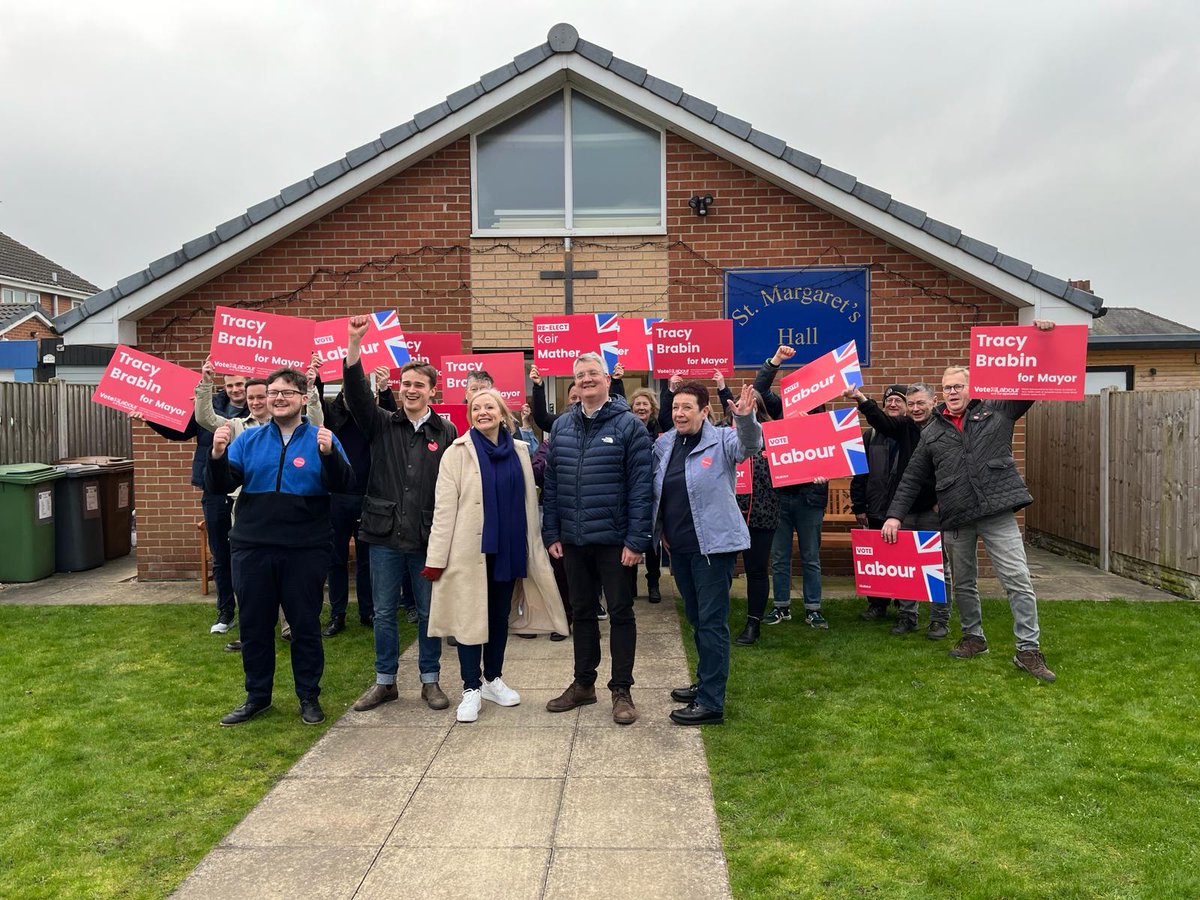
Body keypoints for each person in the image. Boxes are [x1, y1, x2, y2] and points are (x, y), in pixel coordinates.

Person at [883, 321, 1060, 682]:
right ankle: (973, 637)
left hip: (997, 512)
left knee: (1018, 579)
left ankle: (1027, 650)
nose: (951, 392)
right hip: (957, 517)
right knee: (963, 582)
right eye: (947, 387)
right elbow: (912, 477)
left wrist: (1041, 339)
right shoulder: (932, 432)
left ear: (971, 387)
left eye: (957, 386)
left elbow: (1033, 382)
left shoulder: (999, 409)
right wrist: (894, 516)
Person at [206, 367, 354, 726]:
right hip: (252, 547)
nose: (278, 398)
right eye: (273, 392)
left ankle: (308, 697)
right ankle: (257, 697)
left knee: (304, 626)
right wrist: (217, 455)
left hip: (305, 548)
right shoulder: (248, 440)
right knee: (255, 626)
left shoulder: (321, 436)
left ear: (304, 398)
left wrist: (330, 454)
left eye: (287, 392)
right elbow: (221, 484)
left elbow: (343, 484)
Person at [423, 389, 569, 722]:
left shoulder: (519, 451)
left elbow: (529, 501)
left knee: (498, 618)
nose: (483, 412)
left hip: (510, 549)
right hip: (468, 553)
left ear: (503, 414)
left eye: (490, 406)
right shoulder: (456, 454)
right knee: (470, 619)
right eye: (476, 408)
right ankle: (471, 688)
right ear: (470, 415)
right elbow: (444, 510)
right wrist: (436, 559)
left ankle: (493, 679)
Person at [344, 316, 458, 713]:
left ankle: (430, 681)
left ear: (432, 391)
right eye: (406, 383)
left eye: (418, 385)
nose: (411, 390)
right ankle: (385, 682)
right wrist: (354, 346)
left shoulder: (446, 433)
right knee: (384, 611)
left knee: (429, 613)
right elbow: (357, 395)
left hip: (427, 538)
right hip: (383, 535)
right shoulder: (380, 423)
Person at [542, 352, 654, 725]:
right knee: (583, 612)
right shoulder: (562, 426)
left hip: (615, 541)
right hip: (574, 540)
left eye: (593, 373)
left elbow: (642, 487)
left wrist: (637, 540)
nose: (586, 380)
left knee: (621, 613)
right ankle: (583, 684)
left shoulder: (629, 426)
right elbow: (553, 484)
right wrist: (552, 531)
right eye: (580, 375)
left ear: (607, 380)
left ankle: (621, 690)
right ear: (574, 384)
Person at [194, 355, 324, 651]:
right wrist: (205, 383)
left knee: (288, 571)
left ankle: (290, 624)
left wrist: (312, 388)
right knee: (252, 572)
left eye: (259, 396)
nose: (254, 401)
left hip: (290, 514)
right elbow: (205, 418)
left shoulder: (296, 426)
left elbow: (316, 423)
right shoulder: (238, 426)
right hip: (247, 508)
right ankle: (251, 625)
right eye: (249, 397)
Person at [655, 381, 761, 725]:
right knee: (698, 620)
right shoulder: (666, 443)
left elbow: (750, 445)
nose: (679, 413)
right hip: (680, 548)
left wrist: (745, 419)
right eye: (675, 407)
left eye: (687, 407)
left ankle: (712, 703)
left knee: (712, 624)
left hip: (714, 548)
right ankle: (704, 681)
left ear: (704, 411)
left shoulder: (722, 440)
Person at [143, 369, 248, 634]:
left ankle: (252, 609)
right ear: (224, 387)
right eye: (231, 385)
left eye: (240, 384)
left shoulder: (258, 410)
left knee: (248, 552)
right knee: (220, 553)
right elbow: (179, 431)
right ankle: (226, 611)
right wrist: (149, 418)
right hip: (214, 487)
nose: (236, 389)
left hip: (246, 489)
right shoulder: (209, 409)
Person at [845, 382, 949, 638]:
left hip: (932, 510)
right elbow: (884, 423)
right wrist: (861, 398)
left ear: (934, 402)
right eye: (911, 404)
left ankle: (939, 620)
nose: (915, 409)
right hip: (905, 508)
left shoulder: (945, 428)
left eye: (919, 403)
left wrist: (941, 498)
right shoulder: (905, 427)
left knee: (937, 566)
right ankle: (908, 616)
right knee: (906, 563)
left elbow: (951, 467)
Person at [317, 365, 396, 636]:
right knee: (335, 559)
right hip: (337, 497)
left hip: (369, 497)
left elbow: (395, 420)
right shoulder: (332, 413)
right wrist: (314, 377)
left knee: (366, 560)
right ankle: (337, 614)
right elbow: (315, 405)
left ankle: (367, 611)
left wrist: (385, 391)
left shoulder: (374, 418)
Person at [755, 345, 830, 629]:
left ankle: (813, 608)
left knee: (811, 557)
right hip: (780, 497)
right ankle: (781, 606)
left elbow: (831, 457)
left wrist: (824, 474)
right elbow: (760, 390)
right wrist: (774, 361)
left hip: (810, 499)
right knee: (780, 557)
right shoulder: (779, 408)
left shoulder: (823, 419)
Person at [732, 390, 781, 646]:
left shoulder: (774, 436)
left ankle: (754, 623)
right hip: (727, 516)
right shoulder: (723, 435)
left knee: (756, 571)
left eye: (749, 405)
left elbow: (792, 470)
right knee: (721, 570)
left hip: (762, 515)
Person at [627, 387, 664, 603]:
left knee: (652, 543)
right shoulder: (627, 429)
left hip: (653, 494)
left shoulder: (660, 429)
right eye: (638, 404)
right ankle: (630, 585)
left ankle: (653, 584)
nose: (641, 408)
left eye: (645, 404)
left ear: (652, 408)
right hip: (631, 493)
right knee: (631, 539)